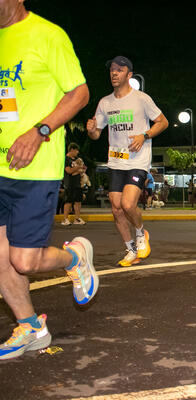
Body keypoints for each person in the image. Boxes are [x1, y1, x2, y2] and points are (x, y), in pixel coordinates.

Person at [0, 2, 97, 360]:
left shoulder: (48, 35)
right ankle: (30, 327)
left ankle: (74, 256)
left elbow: (80, 93)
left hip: (35, 166)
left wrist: (40, 131)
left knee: (24, 261)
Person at [86, 56, 168, 267]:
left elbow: (163, 122)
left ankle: (141, 233)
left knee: (128, 203)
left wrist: (145, 135)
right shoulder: (105, 102)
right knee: (116, 208)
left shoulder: (141, 99)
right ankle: (130, 248)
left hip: (137, 161)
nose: (114, 73)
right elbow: (97, 134)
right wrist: (92, 130)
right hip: (115, 161)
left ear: (129, 75)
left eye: (119, 70)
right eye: (112, 70)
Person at [62, 143, 86, 225]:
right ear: (72, 149)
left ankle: (77, 218)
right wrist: (78, 168)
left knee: (78, 201)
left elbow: (82, 169)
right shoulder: (66, 159)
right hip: (70, 183)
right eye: (76, 150)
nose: (77, 152)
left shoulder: (77, 159)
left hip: (78, 183)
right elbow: (68, 171)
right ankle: (65, 219)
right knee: (69, 201)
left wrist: (77, 170)